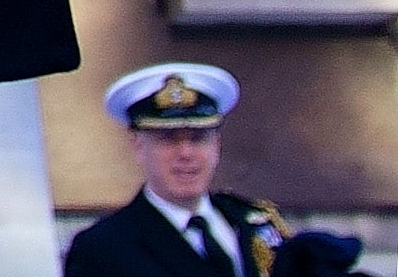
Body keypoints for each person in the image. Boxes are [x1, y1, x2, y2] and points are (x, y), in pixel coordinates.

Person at [65, 64, 361, 277]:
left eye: (198, 138)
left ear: (216, 145)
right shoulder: (103, 249)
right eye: (168, 140)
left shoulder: (255, 222)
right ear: (138, 146)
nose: (185, 154)